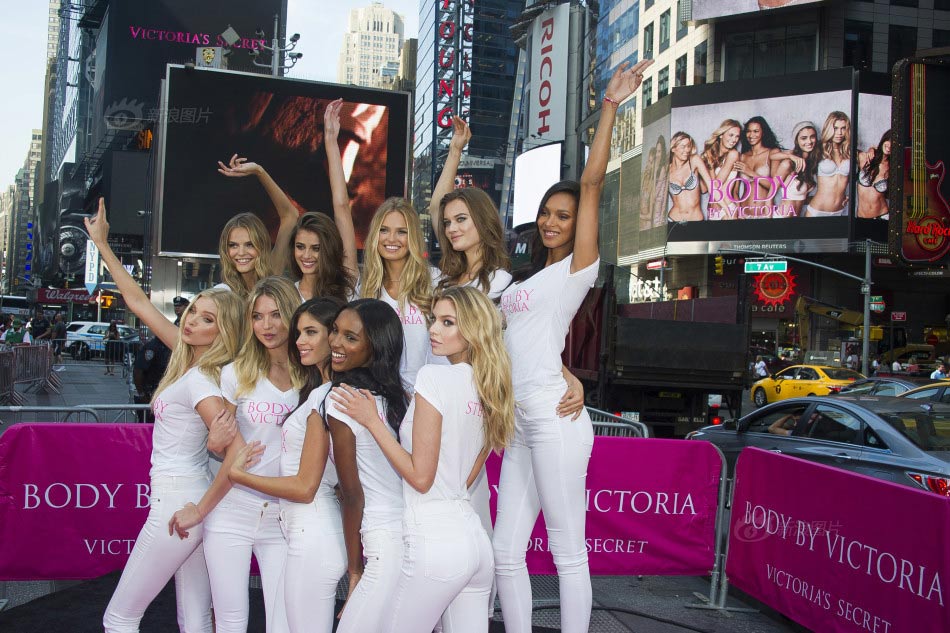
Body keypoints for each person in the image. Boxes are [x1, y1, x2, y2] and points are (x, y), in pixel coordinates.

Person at [492, 59, 651, 633]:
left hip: (555, 419)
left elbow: (591, 182)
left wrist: (610, 105)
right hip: (517, 418)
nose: (554, 221)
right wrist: (564, 367)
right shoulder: (524, 279)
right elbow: (522, 341)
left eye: (565, 215)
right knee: (504, 550)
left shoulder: (579, 272)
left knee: (566, 549)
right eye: (547, 214)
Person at [85, 198, 246, 633]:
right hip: (185, 501)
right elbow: (138, 302)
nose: (192, 321)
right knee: (193, 619)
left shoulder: (202, 381)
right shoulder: (190, 362)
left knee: (118, 618)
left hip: (178, 506)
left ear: (223, 331)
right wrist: (102, 244)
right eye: (193, 310)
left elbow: (238, 453)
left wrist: (199, 506)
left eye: (206, 318)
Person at [330, 286, 514, 632]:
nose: (433, 329)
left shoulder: (435, 377)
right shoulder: (490, 385)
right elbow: (467, 476)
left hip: (436, 543)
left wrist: (372, 421)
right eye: (434, 320)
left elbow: (420, 477)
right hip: (474, 541)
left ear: (474, 330)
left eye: (448, 322)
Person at [170, 276, 305, 633]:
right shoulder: (235, 373)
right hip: (232, 512)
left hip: (283, 517)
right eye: (258, 316)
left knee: (283, 620)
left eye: (276, 315)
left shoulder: (311, 376)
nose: (267, 325)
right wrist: (201, 508)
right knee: (230, 621)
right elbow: (229, 453)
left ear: (292, 314)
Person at [228, 298, 346, 633]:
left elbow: (305, 487)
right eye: (298, 332)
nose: (299, 341)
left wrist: (240, 475)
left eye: (311, 332)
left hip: (313, 533)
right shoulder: (319, 392)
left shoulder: (327, 397)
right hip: (309, 532)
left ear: (334, 337)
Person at [324, 299, 408, 633]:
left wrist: (355, 569)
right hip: (412, 535)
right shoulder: (401, 397)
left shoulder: (342, 400)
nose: (335, 343)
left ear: (376, 347)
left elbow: (352, 494)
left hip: (384, 545)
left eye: (350, 337)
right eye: (335, 331)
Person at [429, 116, 512, 300]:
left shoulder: (500, 281)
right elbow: (436, 207)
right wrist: (455, 150)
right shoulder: (445, 278)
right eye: (447, 222)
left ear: (484, 221)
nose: (451, 229)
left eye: (461, 219)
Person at [287, 100, 358, 302]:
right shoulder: (285, 296)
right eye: (300, 246)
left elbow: (342, 208)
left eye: (316, 248)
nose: (306, 255)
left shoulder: (346, 286)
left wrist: (330, 141)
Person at [214, 155, 301, 296]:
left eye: (250, 244)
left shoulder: (271, 275)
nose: (241, 252)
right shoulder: (221, 293)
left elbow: (290, 215)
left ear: (261, 246)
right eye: (233, 245)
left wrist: (259, 171)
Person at [734, 116, 785, 218]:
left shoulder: (772, 153)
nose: (751, 135)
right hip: (743, 214)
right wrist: (738, 212)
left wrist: (750, 172)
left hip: (765, 214)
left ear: (763, 133)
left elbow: (774, 186)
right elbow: (735, 190)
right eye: (748, 131)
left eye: (756, 131)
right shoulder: (742, 156)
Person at [805, 111, 851, 218]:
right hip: (816, 211)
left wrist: (849, 195)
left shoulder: (850, 152)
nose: (839, 133)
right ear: (829, 128)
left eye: (843, 128)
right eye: (835, 128)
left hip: (840, 211)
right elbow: (797, 155)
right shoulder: (818, 149)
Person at [772, 121, 818, 217]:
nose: (809, 141)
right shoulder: (788, 164)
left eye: (812, 137)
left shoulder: (811, 163)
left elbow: (801, 199)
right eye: (804, 138)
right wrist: (790, 156)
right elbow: (770, 196)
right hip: (781, 220)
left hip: (796, 221)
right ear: (797, 140)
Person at [700, 119, 742, 220]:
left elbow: (717, 184)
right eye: (731, 135)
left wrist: (710, 168)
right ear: (721, 135)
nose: (734, 140)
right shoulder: (710, 155)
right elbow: (703, 189)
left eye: (737, 136)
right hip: (712, 211)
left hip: (727, 210)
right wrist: (701, 165)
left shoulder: (733, 154)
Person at [667, 131, 712, 222]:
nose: (687, 150)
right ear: (673, 149)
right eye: (683, 147)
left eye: (688, 146)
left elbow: (711, 187)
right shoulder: (665, 171)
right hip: (674, 220)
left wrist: (727, 210)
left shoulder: (694, 160)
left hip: (697, 219)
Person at [856, 130, 891, 219]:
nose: (890, 146)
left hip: (882, 216)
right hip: (861, 217)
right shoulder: (865, 158)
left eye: (894, 144)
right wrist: (872, 148)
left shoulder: (892, 168)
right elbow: (846, 147)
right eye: (889, 140)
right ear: (884, 139)